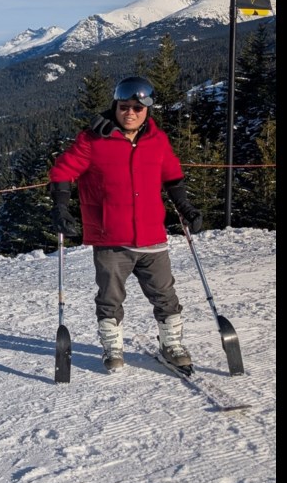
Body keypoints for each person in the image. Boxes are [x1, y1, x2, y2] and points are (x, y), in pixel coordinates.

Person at [47, 76, 203, 372]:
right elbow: (62, 172)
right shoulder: (93, 140)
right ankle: (113, 348)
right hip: (111, 238)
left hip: (151, 235)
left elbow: (172, 175)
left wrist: (186, 207)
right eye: (123, 107)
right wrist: (60, 208)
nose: (130, 112)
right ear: (115, 107)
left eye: (137, 107)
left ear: (147, 110)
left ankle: (171, 344)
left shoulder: (158, 140)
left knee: (165, 295)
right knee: (110, 297)